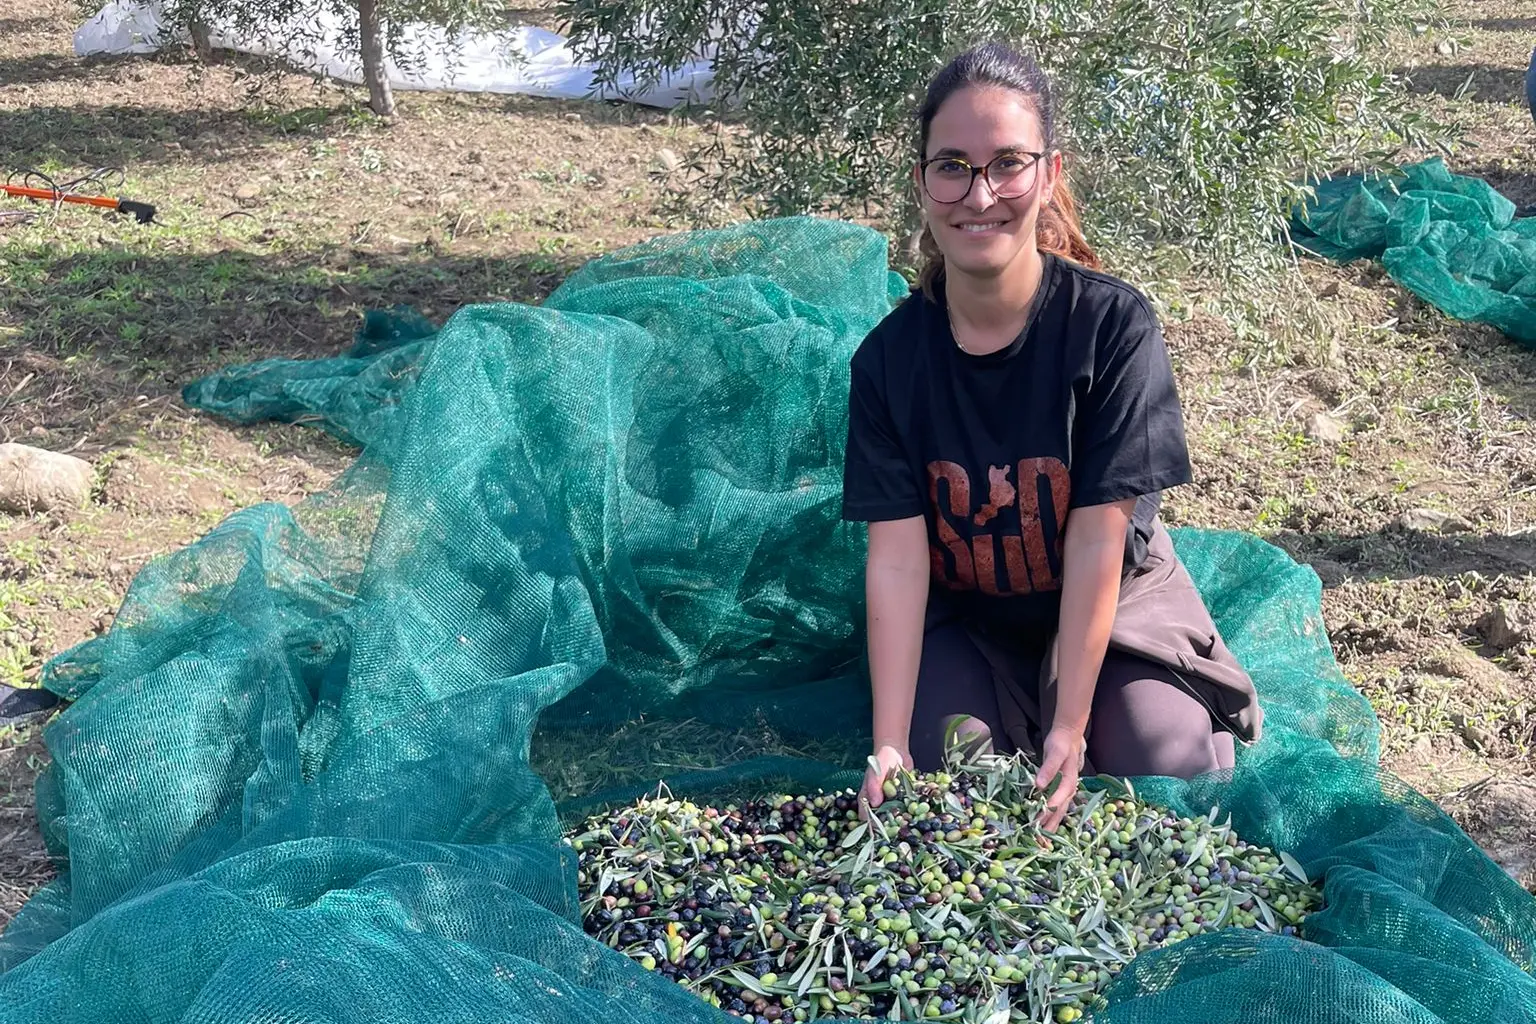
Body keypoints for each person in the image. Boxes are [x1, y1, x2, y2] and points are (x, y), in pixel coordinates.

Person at [841, 42, 1262, 832]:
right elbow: (896, 560)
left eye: (1008, 164)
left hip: (1117, 603)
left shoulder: (1110, 328)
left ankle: (1113, 713)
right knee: (957, 778)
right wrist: (889, 742)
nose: (981, 194)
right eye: (952, 166)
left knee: (1162, 761)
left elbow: (1100, 543)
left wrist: (1070, 724)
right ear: (923, 183)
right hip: (970, 618)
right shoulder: (888, 364)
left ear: (1051, 173)